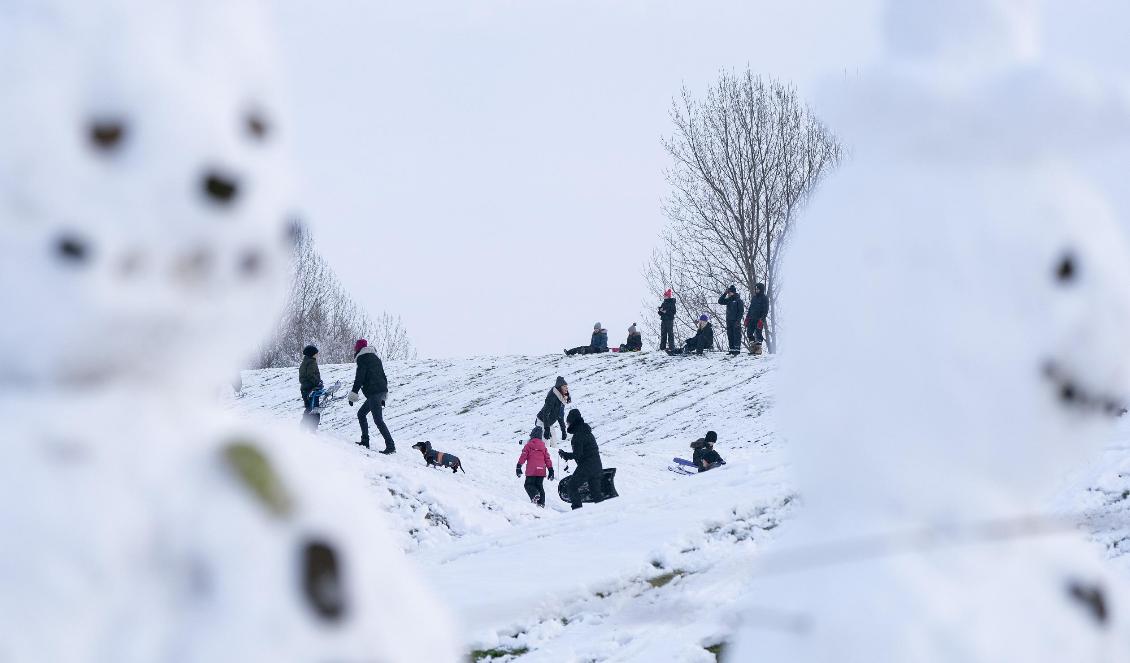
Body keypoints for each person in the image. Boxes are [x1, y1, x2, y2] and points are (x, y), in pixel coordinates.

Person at [346, 339, 396, 453]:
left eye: (355, 347)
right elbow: (383, 375)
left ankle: (391, 446)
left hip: (374, 392)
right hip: (380, 391)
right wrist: (383, 394)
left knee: (378, 420)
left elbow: (360, 378)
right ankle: (365, 441)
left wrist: (353, 394)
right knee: (361, 414)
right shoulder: (375, 358)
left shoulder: (362, 358)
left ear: (358, 348)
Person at [558, 409, 603, 510]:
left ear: (573, 421)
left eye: (568, 422)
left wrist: (565, 455)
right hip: (597, 466)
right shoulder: (588, 432)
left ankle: (577, 512)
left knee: (572, 486)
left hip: (586, 466)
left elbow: (578, 455)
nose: (567, 424)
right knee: (596, 493)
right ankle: (603, 513)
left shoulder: (577, 435)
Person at [516, 426, 555, 507]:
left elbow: (523, 456)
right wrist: (551, 470)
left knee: (528, 484)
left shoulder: (529, 445)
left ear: (532, 435)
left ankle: (535, 495)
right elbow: (547, 459)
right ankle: (541, 503)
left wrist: (519, 466)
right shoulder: (543, 447)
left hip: (532, 470)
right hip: (541, 470)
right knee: (539, 486)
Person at [537, 376, 570, 447]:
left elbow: (560, 415)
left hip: (549, 423)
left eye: (566, 386)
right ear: (560, 387)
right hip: (542, 422)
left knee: (554, 445)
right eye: (564, 386)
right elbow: (545, 413)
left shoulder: (561, 399)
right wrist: (546, 429)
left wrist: (563, 430)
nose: (566, 388)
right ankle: (526, 443)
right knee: (545, 445)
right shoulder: (552, 397)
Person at [718, 285, 745, 356]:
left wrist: (738, 321)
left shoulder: (738, 300)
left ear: (733, 292)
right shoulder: (728, 300)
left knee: (736, 335)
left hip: (736, 321)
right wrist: (724, 293)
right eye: (728, 292)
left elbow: (741, 311)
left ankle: (736, 350)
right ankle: (731, 350)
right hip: (729, 321)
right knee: (730, 335)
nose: (729, 293)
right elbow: (720, 301)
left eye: (730, 292)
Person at [746, 282, 770, 352]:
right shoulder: (754, 298)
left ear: (761, 289)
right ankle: (753, 349)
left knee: (758, 333)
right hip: (751, 318)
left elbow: (765, 310)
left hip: (759, 319)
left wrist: (762, 319)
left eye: (758, 289)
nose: (756, 290)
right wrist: (747, 317)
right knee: (749, 333)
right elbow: (750, 308)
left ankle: (758, 350)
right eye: (756, 289)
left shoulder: (764, 298)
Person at [299, 344, 323, 413]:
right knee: (313, 410)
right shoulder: (311, 362)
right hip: (310, 388)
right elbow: (311, 375)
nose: (317, 355)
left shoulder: (305, 362)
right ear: (312, 354)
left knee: (308, 408)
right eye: (316, 353)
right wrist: (318, 383)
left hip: (305, 388)